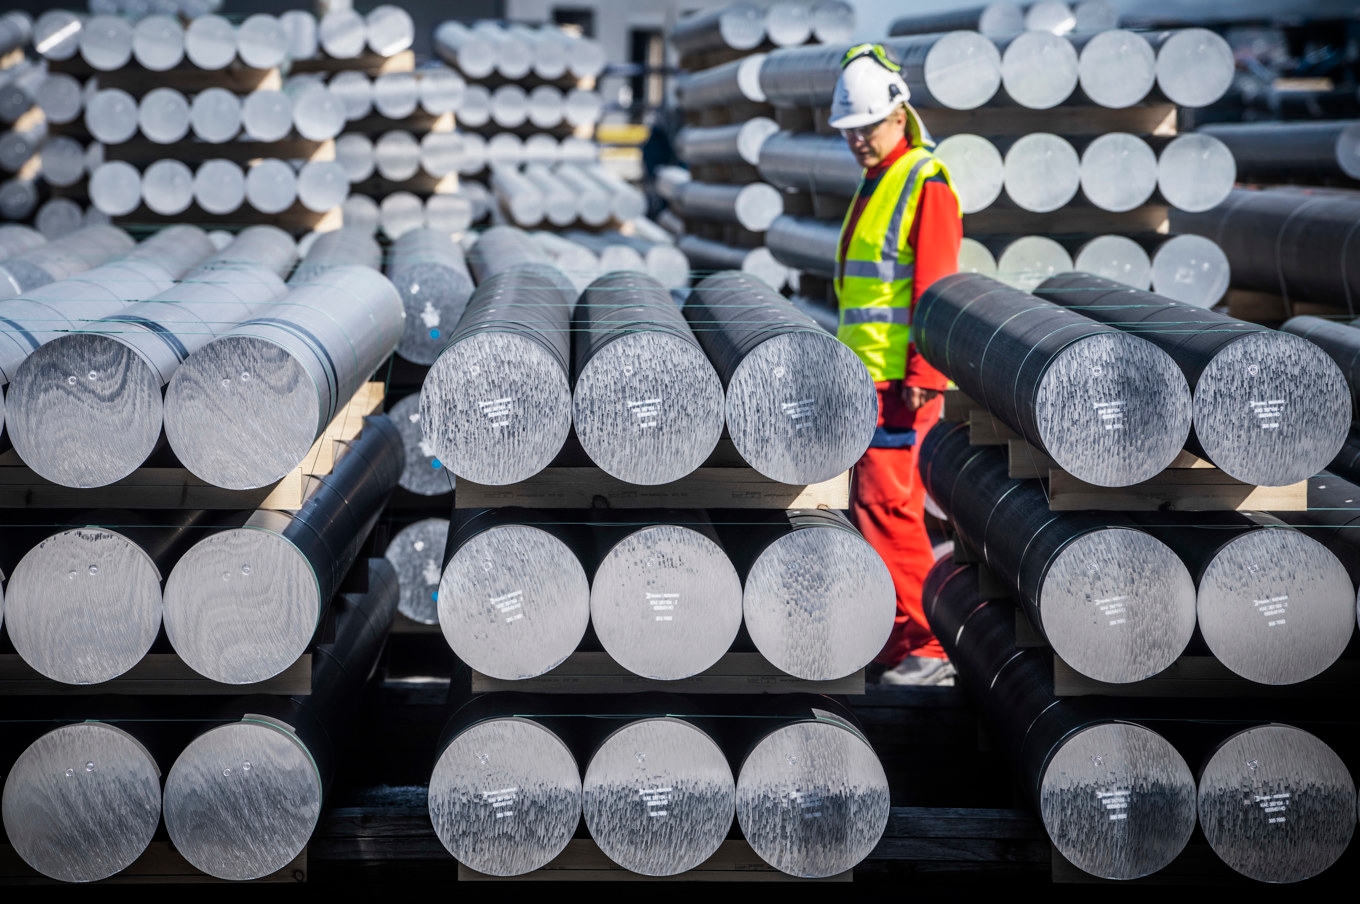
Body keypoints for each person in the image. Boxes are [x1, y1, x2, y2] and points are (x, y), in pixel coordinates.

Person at [830, 44, 962, 685]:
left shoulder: (922, 182)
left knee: (890, 507)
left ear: (898, 114)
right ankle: (893, 641)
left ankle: (929, 646)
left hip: (900, 385)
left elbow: (935, 286)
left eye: (866, 127)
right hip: (867, 378)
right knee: (868, 508)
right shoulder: (878, 179)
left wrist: (923, 373)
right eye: (849, 131)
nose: (857, 140)